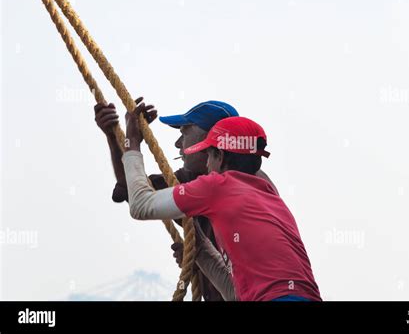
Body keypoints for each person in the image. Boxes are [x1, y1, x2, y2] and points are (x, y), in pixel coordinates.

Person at [121, 105, 322, 301]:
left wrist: (131, 143)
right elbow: (237, 294)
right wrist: (198, 248)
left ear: (221, 156)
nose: (207, 164)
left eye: (209, 154)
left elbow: (140, 205)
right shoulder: (268, 193)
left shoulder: (217, 185)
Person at [95, 99, 275, 300]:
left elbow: (141, 203)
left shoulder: (233, 183)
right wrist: (113, 136)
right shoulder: (194, 179)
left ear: (212, 140)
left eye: (184, 132)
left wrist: (133, 141)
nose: (178, 144)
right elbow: (132, 188)